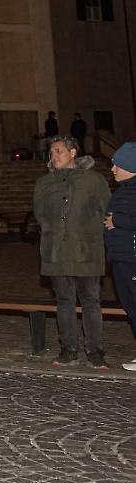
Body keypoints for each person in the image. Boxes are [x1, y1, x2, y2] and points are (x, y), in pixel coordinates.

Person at [34, 136, 111, 368]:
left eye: (58, 151)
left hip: (86, 251)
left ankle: (94, 350)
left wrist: (90, 236)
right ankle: (68, 348)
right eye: (52, 152)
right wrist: (52, 236)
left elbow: (105, 211)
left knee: (90, 300)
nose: (54, 156)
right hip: (57, 253)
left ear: (73, 152)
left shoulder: (93, 180)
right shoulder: (44, 183)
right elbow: (41, 216)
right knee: (64, 300)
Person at [103, 142, 136, 371]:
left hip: (132, 258)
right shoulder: (125, 189)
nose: (112, 169)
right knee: (131, 306)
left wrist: (117, 221)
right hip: (121, 257)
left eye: (117, 165)